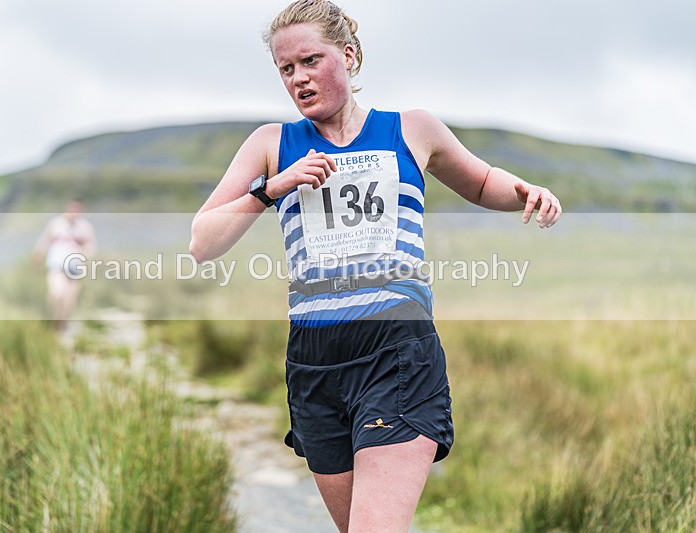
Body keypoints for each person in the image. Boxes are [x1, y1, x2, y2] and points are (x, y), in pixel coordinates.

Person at [190, 1, 562, 531]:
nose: (299, 78)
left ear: (349, 55)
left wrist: (526, 190)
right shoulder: (272, 145)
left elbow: (481, 181)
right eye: (286, 69)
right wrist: (274, 187)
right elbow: (202, 242)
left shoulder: (411, 129)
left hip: (396, 350)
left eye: (310, 61)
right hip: (314, 362)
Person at [33, 200, 96, 332]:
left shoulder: (84, 227)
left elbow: (91, 247)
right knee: (56, 293)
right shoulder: (55, 223)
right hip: (56, 264)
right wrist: (38, 254)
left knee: (69, 299)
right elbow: (45, 240)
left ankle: (62, 325)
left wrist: (84, 257)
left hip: (75, 266)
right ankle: (53, 321)